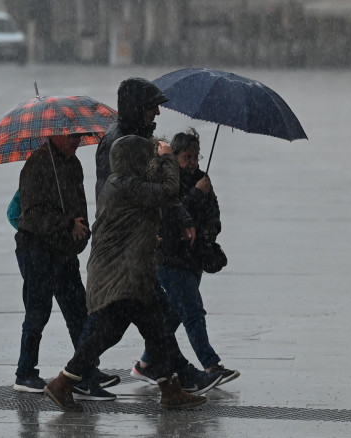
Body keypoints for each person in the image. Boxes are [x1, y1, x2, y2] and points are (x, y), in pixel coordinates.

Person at [43, 135, 207, 412]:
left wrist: (147, 238)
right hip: (121, 275)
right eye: (146, 158)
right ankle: (63, 382)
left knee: (149, 330)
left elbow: (132, 220)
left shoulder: (122, 183)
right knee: (121, 331)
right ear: (133, 160)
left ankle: (170, 389)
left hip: (129, 271)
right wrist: (167, 156)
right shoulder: (125, 185)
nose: (150, 162)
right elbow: (168, 191)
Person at [132, 128, 240, 387]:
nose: (192, 162)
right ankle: (211, 364)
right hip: (170, 259)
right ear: (175, 157)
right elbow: (171, 211)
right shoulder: (168, 180)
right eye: (186, 157)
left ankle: (145, 364)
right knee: (192, 311)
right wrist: (196, 195)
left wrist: (207, 231)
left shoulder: (203, 179)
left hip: (195, 259)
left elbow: (214, 215)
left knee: (174, 315)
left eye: (195, 157)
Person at [14, 134, 118, 400]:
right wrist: (67, 223)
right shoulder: (37, 163)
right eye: (71, 137)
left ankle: (84, 371)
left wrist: (80, 230)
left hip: (62, 249)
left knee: (78, 311)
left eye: (79, 137)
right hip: (37, 248)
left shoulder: (72, 163)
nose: (76, 142)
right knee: (38, 310)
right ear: (55, 135)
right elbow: (33, 213)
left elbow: (76, 203)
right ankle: (25, 372)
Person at [95, 77, 169, 199]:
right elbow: (115, 194)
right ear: (139, 109)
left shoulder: (138, 134)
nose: (157, 112)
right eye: (153, 106)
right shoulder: (119, 143)